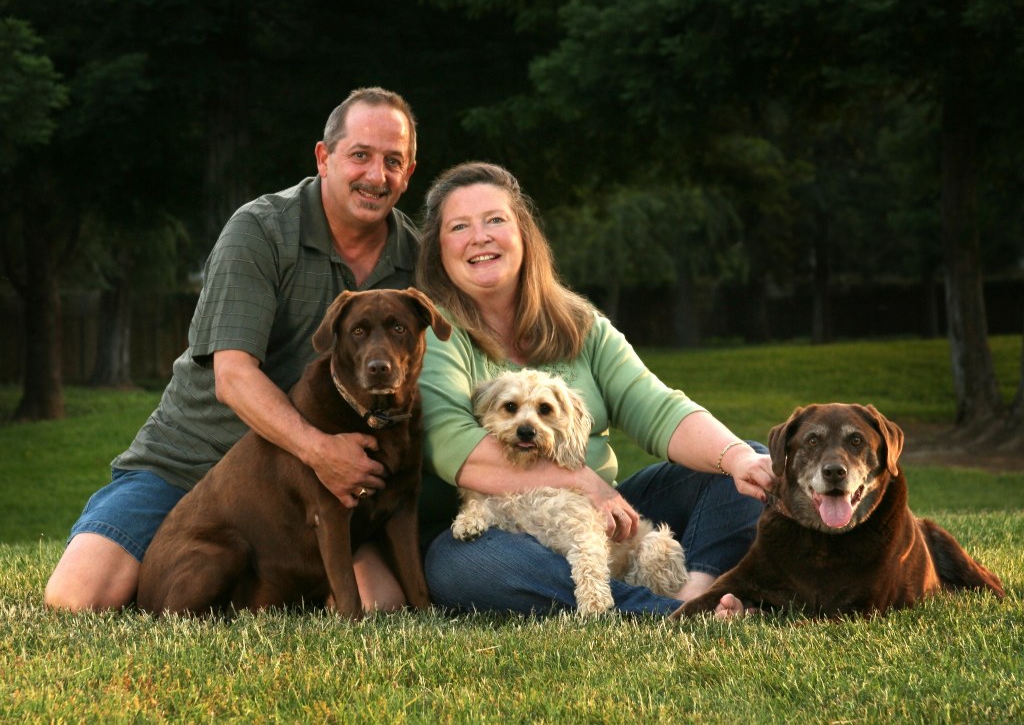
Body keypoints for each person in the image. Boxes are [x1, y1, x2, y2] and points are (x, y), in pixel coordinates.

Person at [45, 87, 420, 613]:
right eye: (360, 155)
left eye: (393, 161)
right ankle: (175, 565)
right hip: (189, 460)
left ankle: (261, 585)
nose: (376, 176)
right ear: (324, 157)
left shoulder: (413, 255)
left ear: (409, 172)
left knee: (383, 603)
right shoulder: (261, 230)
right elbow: (233, 376)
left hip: (304, 488)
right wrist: (320, 452)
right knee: (78, 598)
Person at [413, 161, 775, 617]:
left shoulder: (580, 324)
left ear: (523, 234)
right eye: (459, 226)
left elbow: (657, 408)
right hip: (499, 525)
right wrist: (582, 480)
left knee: (742, 461)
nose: (480, 237)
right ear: (439, 250)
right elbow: (451, 446)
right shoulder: (436, 333)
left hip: (606, 522)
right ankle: (657, 612)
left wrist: (737, 459)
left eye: (495, 220)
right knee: (458, 565)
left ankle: (696, 595)